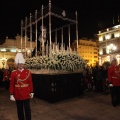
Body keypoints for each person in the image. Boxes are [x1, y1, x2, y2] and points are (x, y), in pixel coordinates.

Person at [9, 52, 34, 120]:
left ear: (23, 64)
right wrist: (11, 94)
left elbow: (30, 83)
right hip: (18, 94)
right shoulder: (14, 73)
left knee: (27, 109)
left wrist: (31, 92)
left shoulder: (28, 72)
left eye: (21, 64)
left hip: (26, 93)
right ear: (17, 64)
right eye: (19, 64)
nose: (20, 65)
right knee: (19, 110)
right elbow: (11, 84)